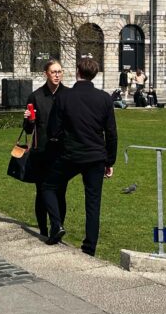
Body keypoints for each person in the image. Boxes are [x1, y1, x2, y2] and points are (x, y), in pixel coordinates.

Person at [41, 58, 118, 256]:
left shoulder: (65, 97)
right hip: (95, 156)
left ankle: (56, 224)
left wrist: (61, 139)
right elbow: (111, 133)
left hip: (71, 154)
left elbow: (53, 130)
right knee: (93, 203)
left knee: (48, 186)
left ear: (77, 72)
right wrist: (110, 161)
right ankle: (89, 247)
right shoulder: (104, 98)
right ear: (95, 74)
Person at [24, 59, 67, 237]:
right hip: (41, 150)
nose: (57, 75)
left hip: (62, 152)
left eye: (59, 72)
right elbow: (28, 129)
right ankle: (43, 229)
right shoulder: (36, 96)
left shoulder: (68, 94)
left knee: (60, 192)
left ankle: (58, 227)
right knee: (41, 191)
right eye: (53, 72)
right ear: (46, 74)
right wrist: (28, 119)